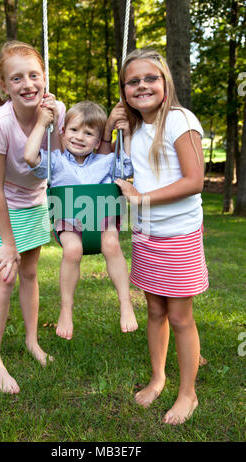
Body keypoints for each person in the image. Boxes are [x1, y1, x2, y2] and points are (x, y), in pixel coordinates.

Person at [114, 49, 209, 425]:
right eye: (133, 81)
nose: (142, 86)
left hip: (179, 235)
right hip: (146, 234)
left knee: (181, 317)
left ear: (165, 82)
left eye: (150, 78)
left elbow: (194, 180)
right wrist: (111, 125)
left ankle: (189, 394)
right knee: (154, 310)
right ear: (124, 91)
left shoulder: (180, 120)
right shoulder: (135, 128)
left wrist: (143, 198)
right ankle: (158, 377)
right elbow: (113, 163)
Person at [0, 41, 65, 394]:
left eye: (34, 75)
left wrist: (49, 121)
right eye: (17, 79)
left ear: (44, 78)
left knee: (30, 271)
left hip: (35, 197)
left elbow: (67, 155)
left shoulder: (56, 110)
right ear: (5, 86)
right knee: (6, 275)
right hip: (5, 200)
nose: (27, 84)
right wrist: (8, 241)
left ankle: (31, 341)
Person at [24, 100, 138, 341]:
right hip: (67, 220)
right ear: (63, 133)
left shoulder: (105, 162)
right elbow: (29, 156)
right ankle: (66, 309)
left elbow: (128, 165)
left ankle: (126, 303)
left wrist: (125, 134)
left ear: (98, 142)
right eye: (74, 130)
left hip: (101, 218)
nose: (80, 137)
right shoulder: (55, 162)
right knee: (73, 250)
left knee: (112, 244)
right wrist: (43, 124)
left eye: (88, 133)